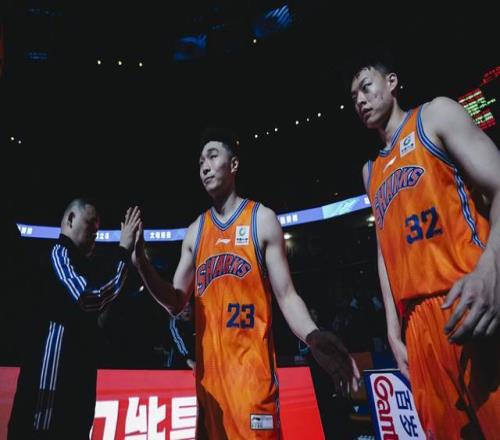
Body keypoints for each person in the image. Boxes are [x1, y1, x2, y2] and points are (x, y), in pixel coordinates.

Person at [132, 127, 360, 439]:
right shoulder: (195, 231)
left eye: (213, 157)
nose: (205, 166)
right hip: (210, 389)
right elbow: (174, 302)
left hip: (253, 382)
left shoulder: (261, 219)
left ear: (234, 164)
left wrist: (312, 335)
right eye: (200, 162)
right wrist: (141, 264)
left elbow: (287, 295)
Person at [348, 49, 500, 438]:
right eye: (353, 97)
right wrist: (392, 329)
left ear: (392, 82)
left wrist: (491, 268)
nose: (360, 100)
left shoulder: (435, 116)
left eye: (366, 87)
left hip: (469, 297)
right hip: (417, 324)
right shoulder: (370, 171)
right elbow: (385, 250)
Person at [8, 199, 140, 439]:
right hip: (49, 392)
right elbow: (89, 298)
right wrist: (123, 251)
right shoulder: (59, 253)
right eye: (90, 224)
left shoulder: (83, 266)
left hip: (75, 391)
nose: (95, 233)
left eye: (98, 228)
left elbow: (97, 314)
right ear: (70, 219)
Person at [167, 301, 196, 370]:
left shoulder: (196, 321)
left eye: (188, 306)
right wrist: (188, 359)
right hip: (177, 365)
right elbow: (178, 341)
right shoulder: (174, 323)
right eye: (184, 307)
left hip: (194, 364)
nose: (187, 309)